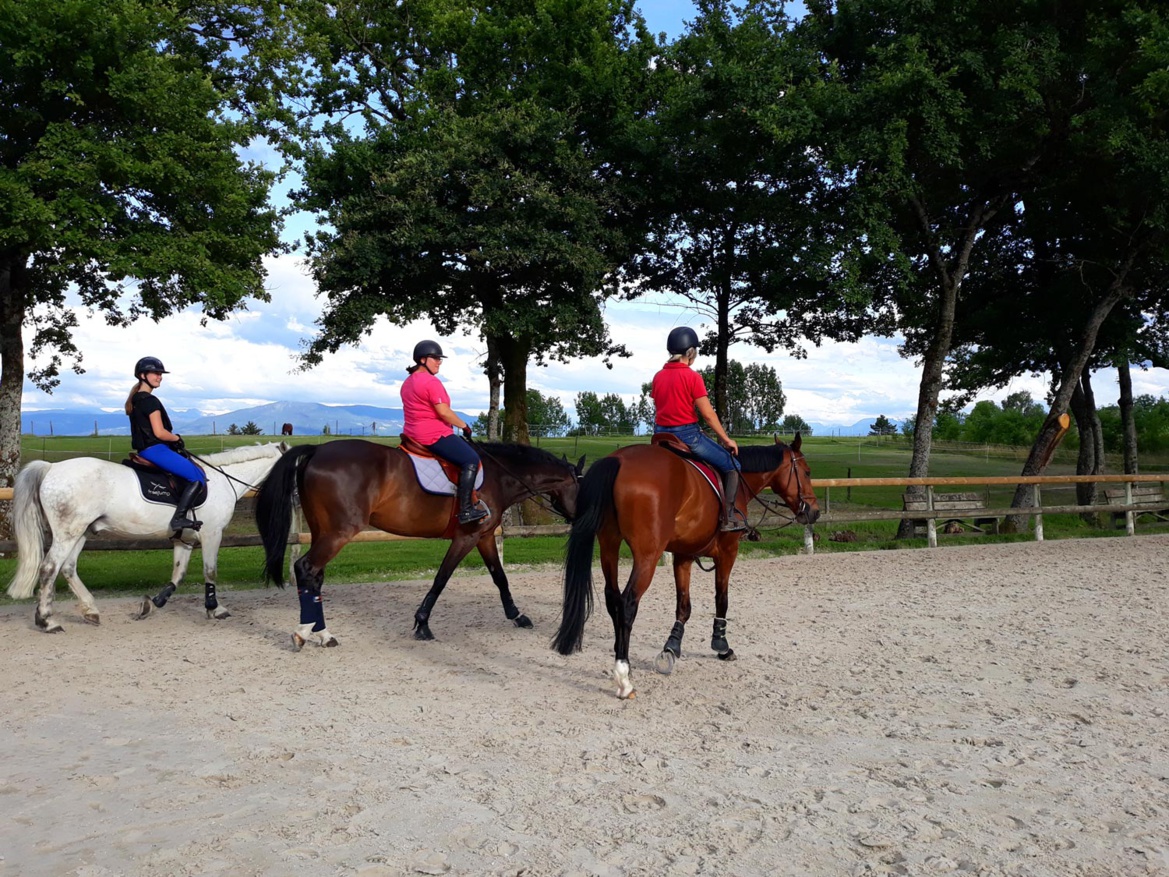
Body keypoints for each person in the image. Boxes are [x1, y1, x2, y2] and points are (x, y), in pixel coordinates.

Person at [651, 327, 746, 532]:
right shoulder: (692, 377)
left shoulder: (658, 376)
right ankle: (728, 517)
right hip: (687, 435)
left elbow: (660, 406)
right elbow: (709, 416)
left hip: (660, 435)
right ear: (691, 353)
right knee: (733, 465)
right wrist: (726, 439)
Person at [401, 340, 488, 524]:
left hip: (411, 434)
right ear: (423, 359)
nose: (439, 362)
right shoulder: (431, 382)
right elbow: (443, 412)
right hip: (433, 434)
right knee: (470, 459)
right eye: (435, 358)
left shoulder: (408, 382)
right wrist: (464, 426)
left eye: (440, 359)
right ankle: (466, 511)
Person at [124, 356, 206, 532]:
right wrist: (176, 438)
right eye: (155, 373)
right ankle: (179, 518)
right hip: (156, 450)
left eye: (161, 374)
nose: (159, 377)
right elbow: (159, 432)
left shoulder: (136, 399)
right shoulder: (150, 401)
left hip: (146, 450)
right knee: (197, 477)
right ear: (142, 375)